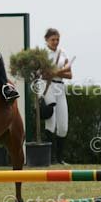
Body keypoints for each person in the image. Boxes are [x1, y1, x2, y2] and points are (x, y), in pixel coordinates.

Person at [41, 28, 73, 165]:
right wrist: (61, 71)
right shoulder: (43, 53)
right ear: (47, 40)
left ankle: (60, 158)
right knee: (51, 122)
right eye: (53, 39)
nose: (55, 42)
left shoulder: (62, 52)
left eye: (57, 39)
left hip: (60, 87)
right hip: (48, 86)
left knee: (63, 126)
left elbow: (69, 75)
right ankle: (51, 158)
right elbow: (44, 74)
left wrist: (55, 72)